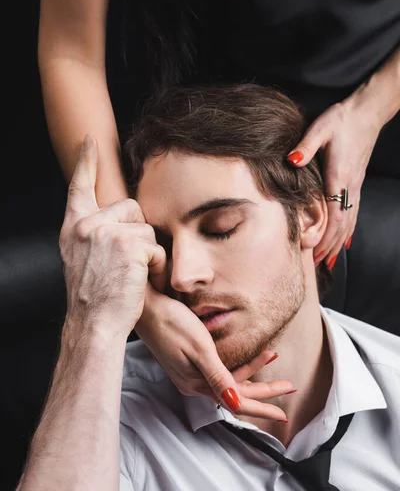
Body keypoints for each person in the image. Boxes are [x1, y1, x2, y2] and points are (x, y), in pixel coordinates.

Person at [39, 0, 400, 436]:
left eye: (222, 230)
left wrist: (372, 108)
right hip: (209, 144)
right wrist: (135, 282)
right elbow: (70, 52)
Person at [18, 85, 400, 491]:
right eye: (161, 245)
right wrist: (92, 319)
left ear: (308, 217)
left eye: (220, 229)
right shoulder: (108, 413)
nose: (182, 276)